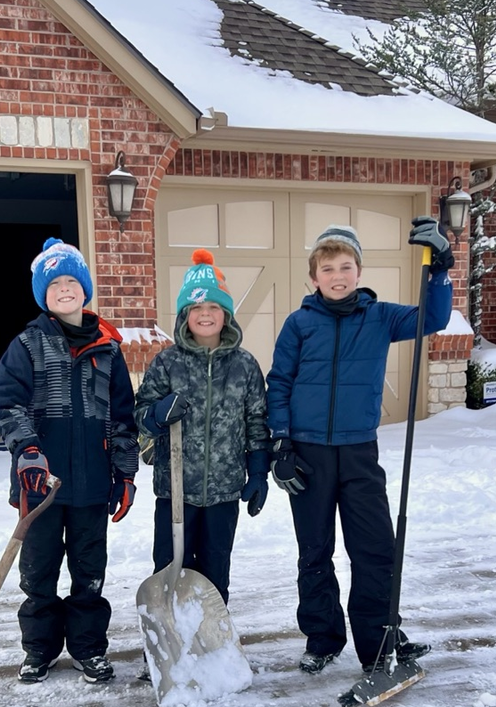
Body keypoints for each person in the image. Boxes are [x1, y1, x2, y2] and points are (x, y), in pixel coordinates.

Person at [266, 218, 453, 676]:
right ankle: (323, 637)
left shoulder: (381, 316)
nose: (337, 275)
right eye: (327, 268)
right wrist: (280, 443)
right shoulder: (298, 324)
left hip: (358, 452)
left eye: (345, 266)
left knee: (374, 549)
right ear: (314, 277)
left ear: (359, 271)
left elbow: (434, 317)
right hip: (307, 454)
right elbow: (280, 383)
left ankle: (381, 638)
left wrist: (441, 270)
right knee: (314, 549)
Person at [0, 237, 139, 684]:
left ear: (85, 289)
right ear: (44, 296)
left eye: (72, 280)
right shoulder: (28, 345)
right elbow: (2, 404)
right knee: (38, 574)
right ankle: (40, 650)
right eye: (55, 284)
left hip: (92, 485)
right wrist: (27, 450)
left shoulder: (108, 351)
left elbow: (123, 420)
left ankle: (89, 649)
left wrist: (126, 474)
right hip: (39, 486)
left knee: (89, 573)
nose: (65, 289)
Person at [134, 248, 270, 665]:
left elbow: (256, 421)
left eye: (214, 306)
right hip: (174, 492)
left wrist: (259, 471)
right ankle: (167, 649)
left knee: (214, 571)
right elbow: (140, 414)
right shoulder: (167, 363)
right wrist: (157, 414)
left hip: (224, 490)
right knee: (170, 568)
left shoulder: (245, 366)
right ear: (184, 316)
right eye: (197, 308)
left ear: (226, 314)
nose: (206, 314)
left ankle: (210, 645)